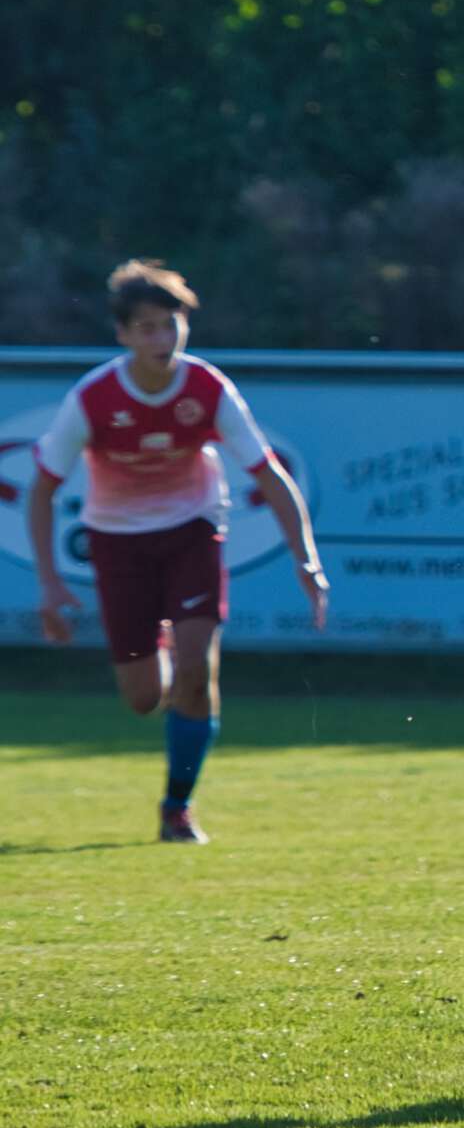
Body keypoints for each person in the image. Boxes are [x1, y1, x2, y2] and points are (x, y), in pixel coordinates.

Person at [23, 260, 329, 843]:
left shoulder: (208, 388)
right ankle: (159, 650)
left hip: (193, 530)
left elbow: (269, 476)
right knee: (143, 699)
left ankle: (177, 808)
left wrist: (305, 558)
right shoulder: (94, 398)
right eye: (147, 328)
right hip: (118, 544)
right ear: (123, 335)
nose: (162, 339)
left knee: (195, 671)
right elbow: (40, 489)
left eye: (171, 325)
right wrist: (49, 584)